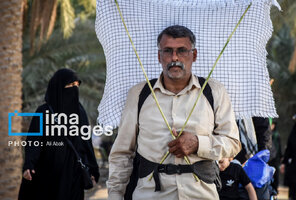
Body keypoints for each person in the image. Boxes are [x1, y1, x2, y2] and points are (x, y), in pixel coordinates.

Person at [107, 25, 241, 199]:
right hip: (150, 194)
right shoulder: (139, 94)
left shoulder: (214, 91)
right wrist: (115, 194)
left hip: (201, 194)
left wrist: (198, 143)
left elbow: (233, 143)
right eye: (168, 51)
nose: (174, 57)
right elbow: (122, 152)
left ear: (194, 55)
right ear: (159, 56)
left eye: (182, 51)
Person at [18, 68, 99, 200]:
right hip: (46, 172)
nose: (74, 89)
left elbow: (86, 142)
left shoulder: (80, 112)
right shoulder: (43, 111)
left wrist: (92, 169)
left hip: (73, 173)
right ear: (59, 88)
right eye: (70, 85)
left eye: (76, 85)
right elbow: (33, 140)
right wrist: (29, 164)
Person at [268, 118, 282, 193]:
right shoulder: (266, 134)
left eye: (273, 124)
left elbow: (279, 147)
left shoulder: (276, 135)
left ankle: (275, 189)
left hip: (275, 159)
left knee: (275, 175)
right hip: (268, 158)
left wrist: (280, 157)